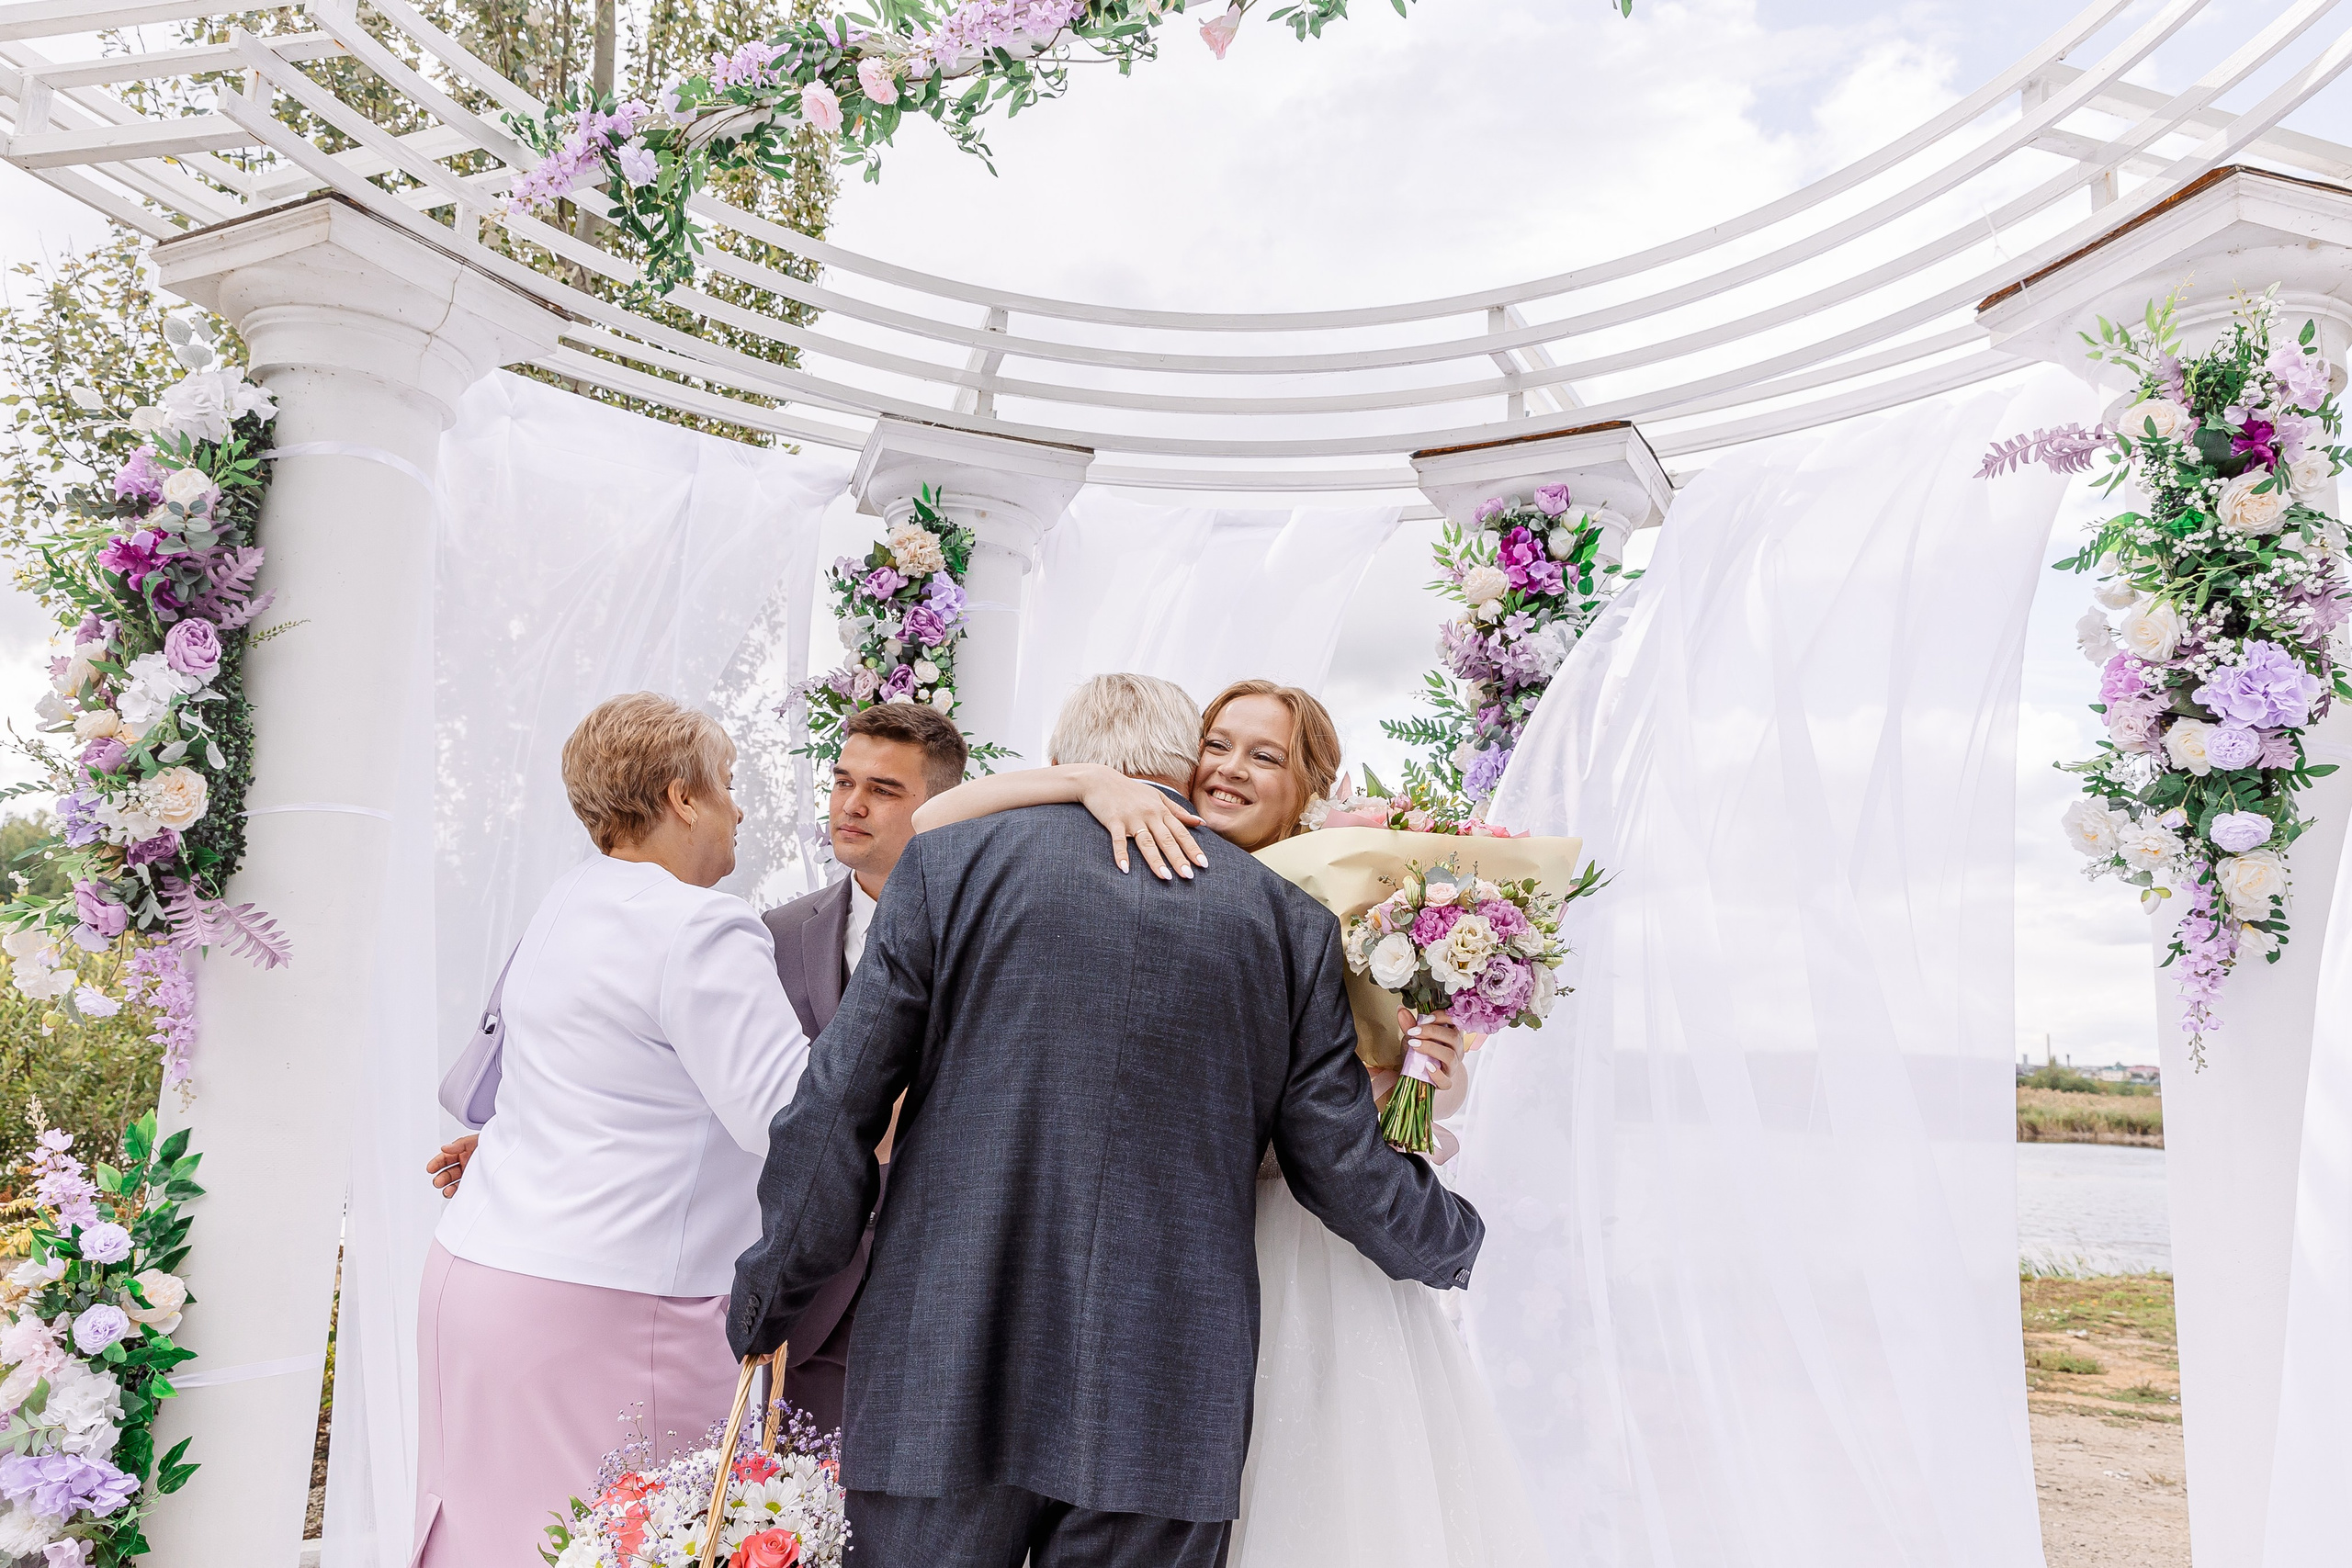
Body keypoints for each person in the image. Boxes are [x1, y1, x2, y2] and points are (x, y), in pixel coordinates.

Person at [728, 672, 1486, 1568]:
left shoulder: (946, 866)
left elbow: (834, 1110)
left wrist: (770, 1298)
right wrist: (1453, 1241)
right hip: (1163, 1391)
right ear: (1181, 762)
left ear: (1061, 762)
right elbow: (1337, 1163)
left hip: (947, 1364)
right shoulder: (1289, 924)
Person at [910, 677, 1549, 1568]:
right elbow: (940, 822)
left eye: (1264, 756)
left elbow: (1388, 1112)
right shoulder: (1140, 847)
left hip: (1278, 1240)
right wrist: (1089, 782)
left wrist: (1426, 1078)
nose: (1229, 769)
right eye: (1218, 743)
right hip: (1170, 1243)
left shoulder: (1333, 913)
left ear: (1306, 788)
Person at [411, 694, 811, 1566]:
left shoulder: (568, 900)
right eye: (729, 784)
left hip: (474, 1278)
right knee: (638, 1539)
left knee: (493, 1540)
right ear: (681, 797)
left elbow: (587, 1070)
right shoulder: (703, 924)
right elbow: (794, 1120)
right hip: (611, 1310)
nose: (740, 808)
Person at [758, 702, 968, 1432]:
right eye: (843, 780)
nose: (850, 804)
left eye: (883, 789)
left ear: (942, 807)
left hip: (940, 1299)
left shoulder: (985, 938)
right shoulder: (777, 933)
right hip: (807, 1305)